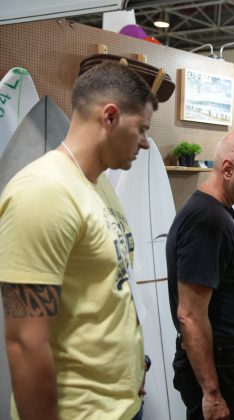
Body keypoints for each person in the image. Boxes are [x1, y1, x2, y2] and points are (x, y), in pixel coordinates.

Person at [0, 62, 157, 419]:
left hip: (123, 405)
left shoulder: (98, 184)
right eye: (142, 130)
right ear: (111, 117)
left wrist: (131, 367)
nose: (146, 143)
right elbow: (25, 342)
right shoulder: (43, 191)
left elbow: (109, 291)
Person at [166, 129, 234, 420]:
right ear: (227, 170)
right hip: (218, 360)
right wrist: (211, 394)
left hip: (228, 357)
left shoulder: (224, 212)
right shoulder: (206, 222)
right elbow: (190, 314)